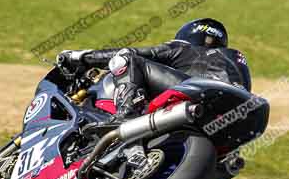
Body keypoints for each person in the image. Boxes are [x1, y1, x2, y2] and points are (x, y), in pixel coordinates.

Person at [57, 18, 251, 120]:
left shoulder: (184, 48)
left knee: (129, 60)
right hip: (242, 113)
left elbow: (131, 52)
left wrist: (80, 57)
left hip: (203, 93)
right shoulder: (232, 58)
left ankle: (126, 116)